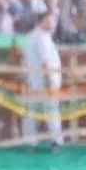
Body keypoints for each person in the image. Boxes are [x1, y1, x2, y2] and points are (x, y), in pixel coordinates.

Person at [22, 9, 63, 150]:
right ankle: (55, 141)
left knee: (31, 113)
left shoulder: (30, 37)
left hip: (33, 81)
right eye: (51, 19)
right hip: (45, 81)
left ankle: (30, 142)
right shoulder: (42, 37)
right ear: (43, 20)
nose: (53, 23)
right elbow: (45, 62)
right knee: (51, 110)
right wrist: (49, 81)